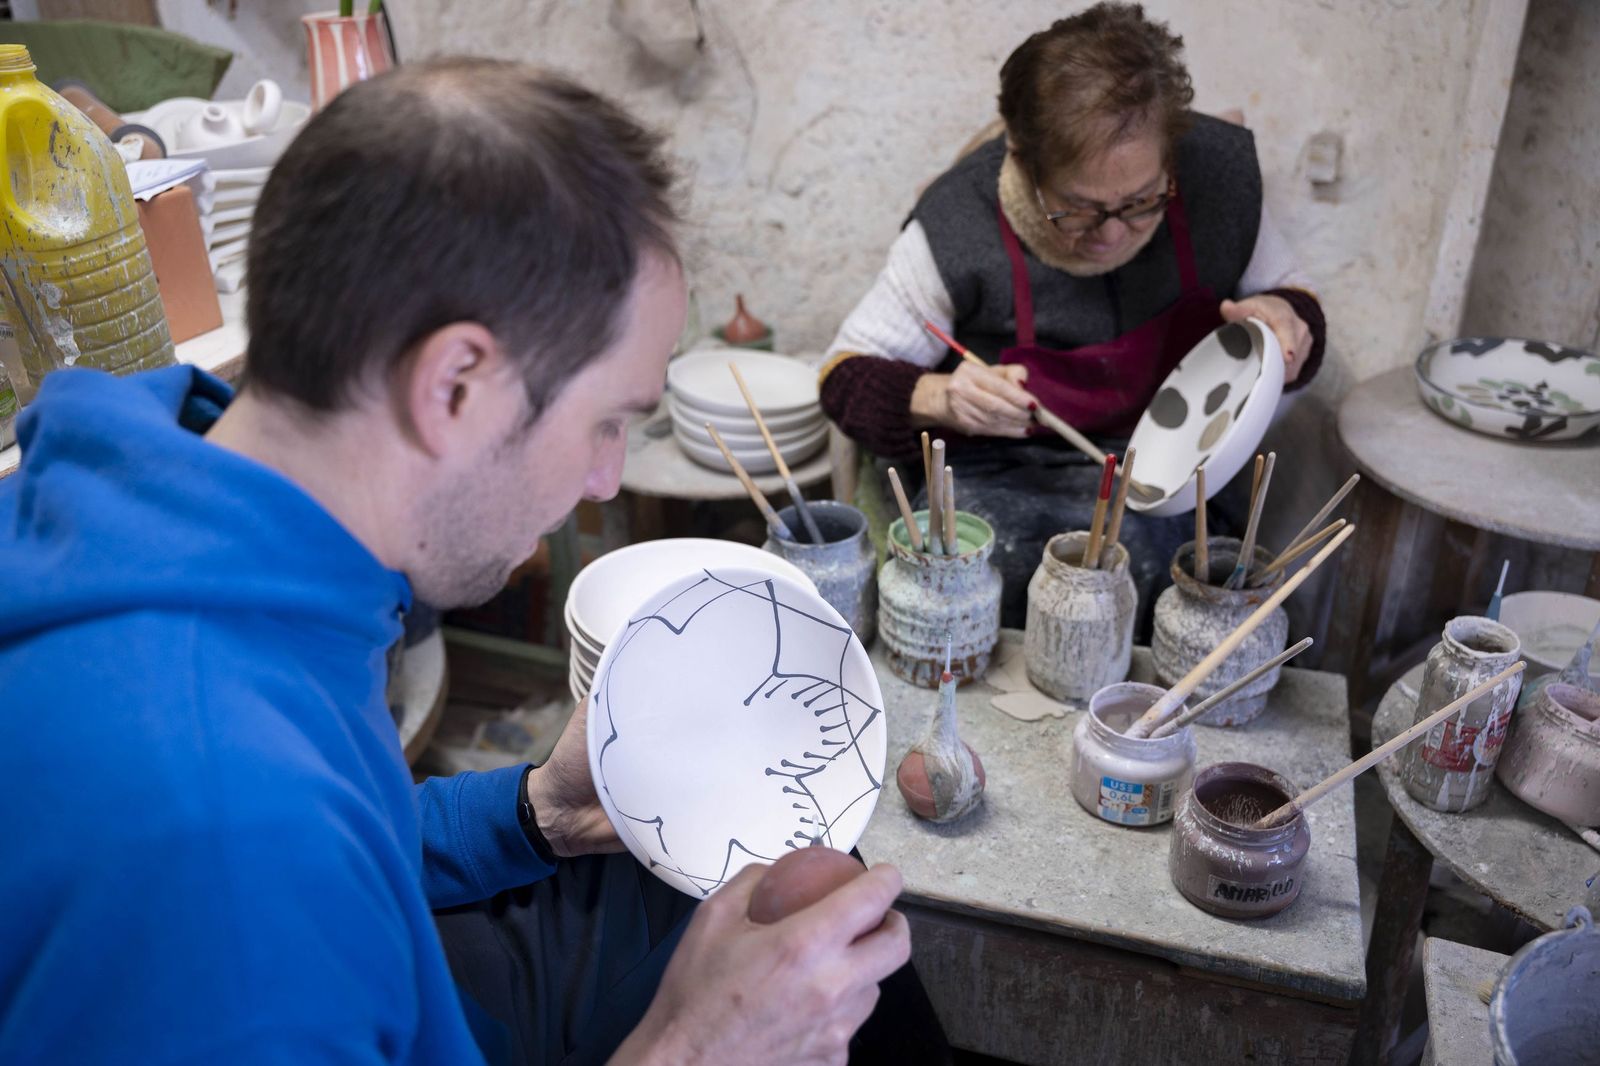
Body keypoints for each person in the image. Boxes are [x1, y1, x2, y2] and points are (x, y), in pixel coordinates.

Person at [0, 60, 918, 1065]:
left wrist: (536, 813)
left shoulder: (187, 506)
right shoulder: (223, 844)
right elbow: (284, 863)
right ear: (454, 386)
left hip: (386, 965)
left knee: (804, 889)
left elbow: (359, 836)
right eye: (607, 420)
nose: (607, 478)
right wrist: (690, 1047)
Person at [820, 2, 1326, 628]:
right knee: (990, 593)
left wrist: (1287, 322)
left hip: (1164, 472)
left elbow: (1296, 307)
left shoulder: (1214, 181)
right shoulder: (960, 221)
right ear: (1021, 159)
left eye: (1140, 202)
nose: (1111, 234)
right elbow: (844, 379)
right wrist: (941, 397)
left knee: (1186, 599)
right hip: (1003, 474)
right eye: (1078, 209)